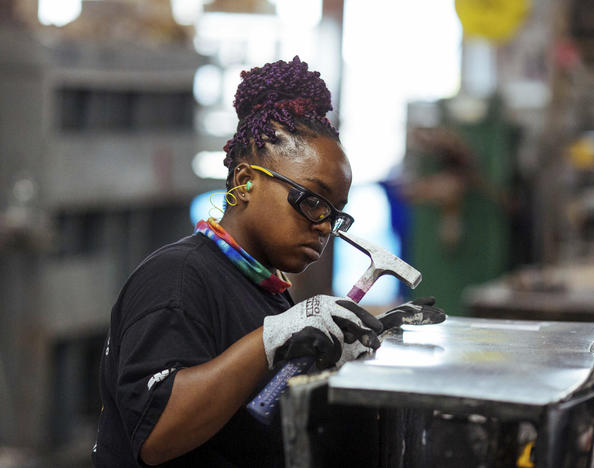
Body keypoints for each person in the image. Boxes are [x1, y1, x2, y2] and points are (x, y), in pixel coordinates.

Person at [92, 56, 444, 467]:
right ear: (245, 182)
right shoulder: (178, 278)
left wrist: (345, 359)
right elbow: (155, 434)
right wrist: (269, 340)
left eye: (335, 212)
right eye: (312, 200)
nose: (325, 226)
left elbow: (260, 408)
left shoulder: (267, 294)